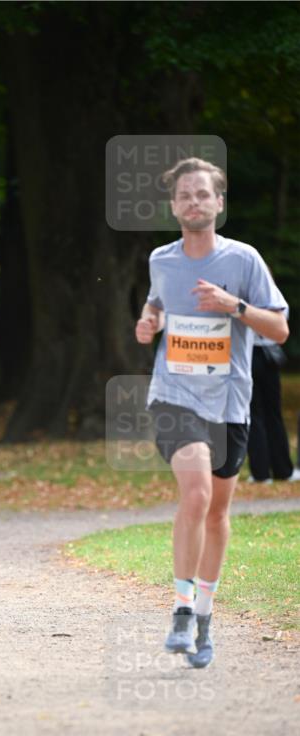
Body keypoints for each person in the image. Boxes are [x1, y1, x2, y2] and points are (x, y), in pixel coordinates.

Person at [135, 158, 289, 667]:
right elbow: (157, 304)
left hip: (230, 401)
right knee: (197, 492)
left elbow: (280, 330)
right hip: (174, 395)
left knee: (218, 512)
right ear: (174, 205)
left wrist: (234, 306)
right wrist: (148, 320)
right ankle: (180, 608)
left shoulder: (244, 261)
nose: (194, 202)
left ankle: (204, 613)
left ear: (219, 203)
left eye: (204, 194)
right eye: (186, 195)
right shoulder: (162, 259)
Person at [246, 335, 300, 483]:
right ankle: (283, 470)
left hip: (249, 353)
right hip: (269, 353)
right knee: (273, 414)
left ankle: (260, 473)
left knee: (254, 415)